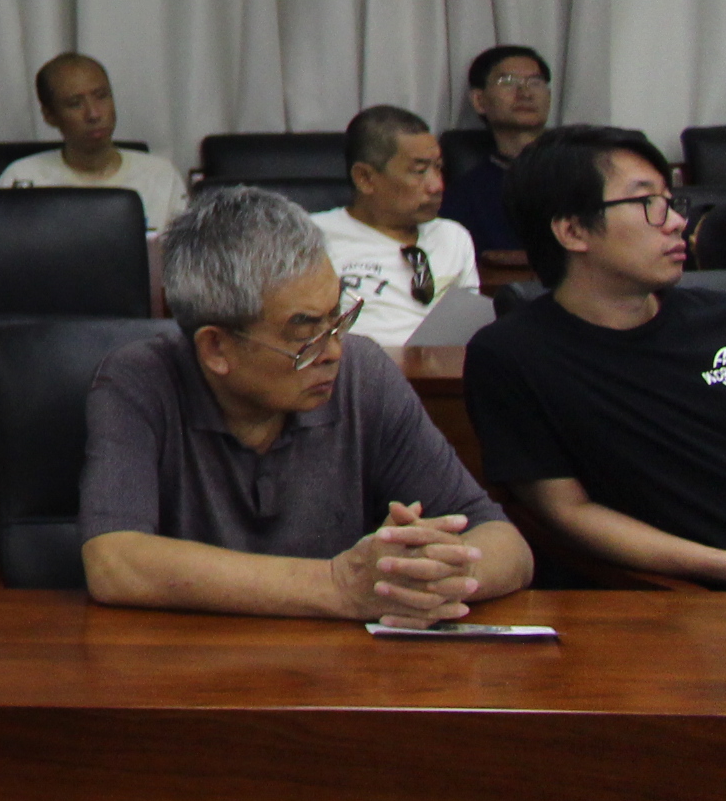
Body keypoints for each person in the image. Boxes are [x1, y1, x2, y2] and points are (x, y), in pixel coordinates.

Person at [79, 186, 528, 622]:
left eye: (337, 317)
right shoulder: (140, 381)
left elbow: (505, 543)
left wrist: (435, 577)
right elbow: (114, 561)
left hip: (341, 664)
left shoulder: (362, 374)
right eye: (305, 333)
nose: (333, 351)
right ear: (216, 348)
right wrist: (336, 586)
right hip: (192, 660)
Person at [464, 126, 726, 586]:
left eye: (671, 201)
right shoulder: (512, 355)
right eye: (647, 202)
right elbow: (566, 510)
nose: (677, 222)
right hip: (706, 596)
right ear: (572, 230)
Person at [311, 104, 478, 350]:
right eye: (419, 171)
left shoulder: (453, 237)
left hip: (442, 369)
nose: (437, 186)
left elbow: (470, 330)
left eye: (438, 168)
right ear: (365, 178)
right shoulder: (310, 237)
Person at [0, 55, 189, 228]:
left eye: (101, 97)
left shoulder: (161, 175)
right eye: (75, 104)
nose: (94, 114)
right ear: (50, 116)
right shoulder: (22, 178)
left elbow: (185, 255)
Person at [440, 43, 552, 253]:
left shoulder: (583, 173)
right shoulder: (465, 195)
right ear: (479, 101)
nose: (525, 93)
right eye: (508, 82)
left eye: (535, 82)